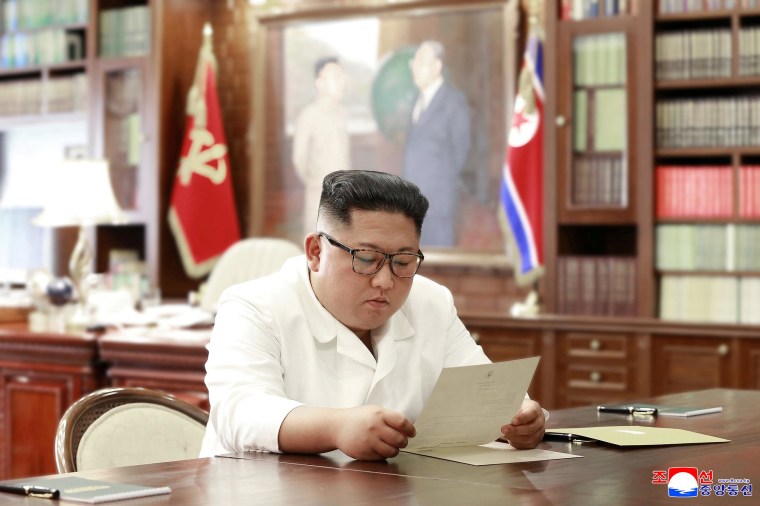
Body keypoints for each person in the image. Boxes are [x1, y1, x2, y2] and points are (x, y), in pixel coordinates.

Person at [200, 170, 546, 461]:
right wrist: (337, 427)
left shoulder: (430, 301)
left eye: (404, 261)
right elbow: (240, 412)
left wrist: (519, 416)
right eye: (366, 259)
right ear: (316, 252)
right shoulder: (253, 306)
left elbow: (483, 389)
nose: (385, 280)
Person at [403, 40, 471, 248]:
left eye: (421, 61)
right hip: (414, 204)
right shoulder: (417, 100)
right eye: (414, 61)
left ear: (437, 66)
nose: (414, 66)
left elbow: (461, 151)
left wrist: (439, 186)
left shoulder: (453, 101)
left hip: (438, 205)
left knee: (439, 269)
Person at [292, 56, 351, 235]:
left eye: (342, 76)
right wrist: (316, 183)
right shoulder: (308, 116)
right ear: (319, 83)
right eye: (335, 77)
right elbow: (299, 160)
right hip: (320, 198)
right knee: (318, 252)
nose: (341, 81)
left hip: (344, 197)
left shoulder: (342, 114)